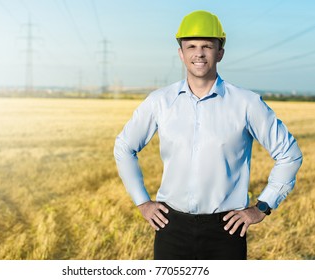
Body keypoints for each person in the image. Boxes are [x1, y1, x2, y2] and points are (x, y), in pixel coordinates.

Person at [113, 10, 303, 260]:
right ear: (181, 53)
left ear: (220, 52)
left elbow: (289, 155)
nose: (199, 53)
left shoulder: (247, 103)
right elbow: (124, 147)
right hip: (171, 228)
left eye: (207, 46)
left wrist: (262, 207)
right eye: (190, 46)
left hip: (226, 231)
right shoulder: (159, 102)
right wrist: (142, 202)